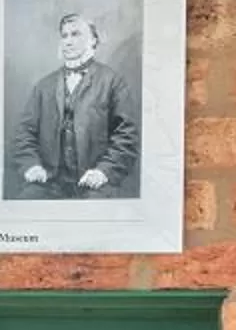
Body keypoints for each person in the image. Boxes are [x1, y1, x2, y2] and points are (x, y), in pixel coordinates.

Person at [10, 12, 140, 201]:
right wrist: (32, 165)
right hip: (50, 182)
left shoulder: (112, 81)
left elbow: (126, 136)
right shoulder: (44, 86)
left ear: (94, 40)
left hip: (95, 183)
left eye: (76, 34)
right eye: (64, 35)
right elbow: (24, 133)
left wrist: (103, 171)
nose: (68, 42)